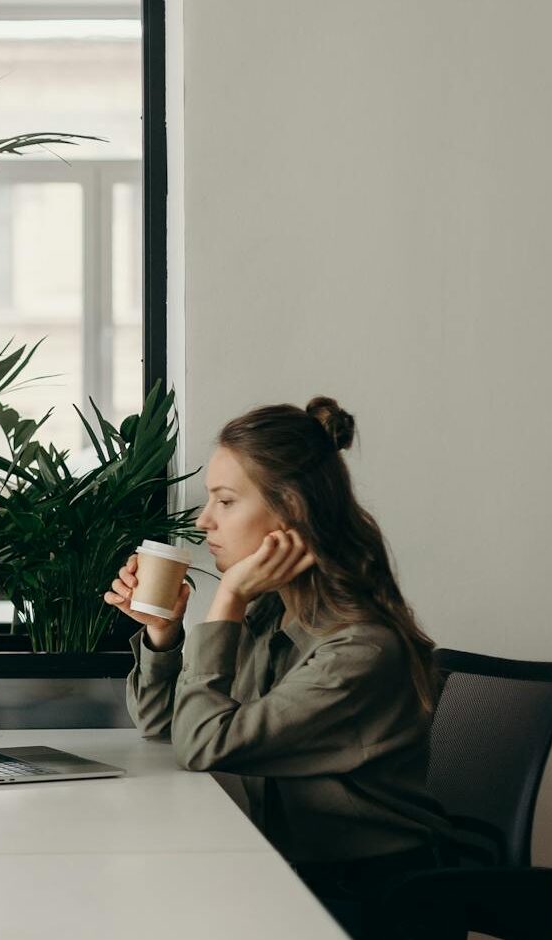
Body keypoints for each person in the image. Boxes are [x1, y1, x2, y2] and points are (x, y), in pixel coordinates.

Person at [106, 397, 457, 939]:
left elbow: (202, 746)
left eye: (225, 502)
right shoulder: (274, 614)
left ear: (290, 510)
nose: (204, 522)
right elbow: (165, 729)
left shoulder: (359, 650)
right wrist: (163, 635)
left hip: (370, 902)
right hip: (294, 874)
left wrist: (228, 599)